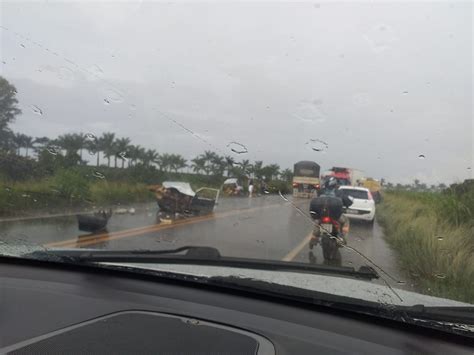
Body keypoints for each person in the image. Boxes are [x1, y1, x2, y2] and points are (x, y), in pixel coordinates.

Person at [310, 177, 350, 248]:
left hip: (322, 214)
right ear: (335, 185)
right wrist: (347, 205)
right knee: (346, 221)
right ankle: (342, 238)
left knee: (317, 222)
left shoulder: (321, 191)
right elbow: (347, 201)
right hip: (335, 216)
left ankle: (313, 238)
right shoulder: (339, 192)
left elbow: (314, 199)